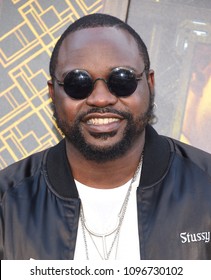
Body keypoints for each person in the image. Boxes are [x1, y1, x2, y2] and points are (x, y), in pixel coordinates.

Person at [1, 13, 211, 260]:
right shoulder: (7, 202)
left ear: (150, 83)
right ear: (52, 93)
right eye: (77, 83)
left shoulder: (205, 186)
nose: (101, 99)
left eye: (122, 80)